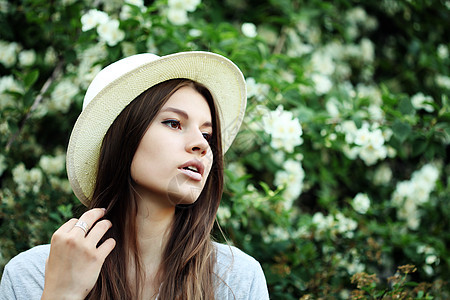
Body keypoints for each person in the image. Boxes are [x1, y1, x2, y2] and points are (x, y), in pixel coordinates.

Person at [0, 52, 270, 299]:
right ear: (122, 138)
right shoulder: (31, 275)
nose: (200, 144)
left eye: (207, 135)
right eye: (174, 123)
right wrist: (61, 293)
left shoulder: (236, 280)